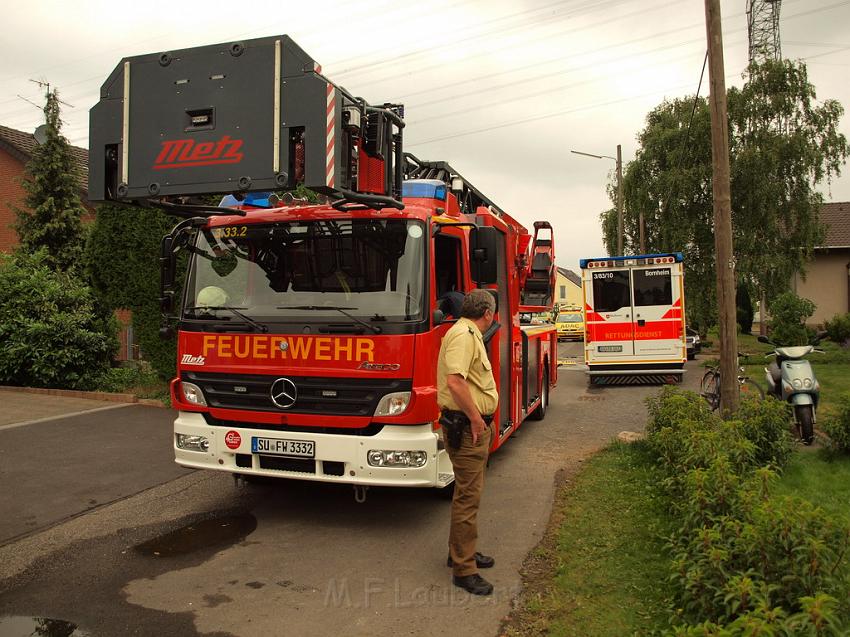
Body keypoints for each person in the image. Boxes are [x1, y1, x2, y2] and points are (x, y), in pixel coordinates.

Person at [436, 288, 499, 596]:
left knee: (466, 494)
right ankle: (463, 569)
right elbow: (455, 382)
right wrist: (476, 418)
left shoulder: (465, 331)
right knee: (468, 499)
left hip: (467, 426)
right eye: (494, 311)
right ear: (487, 313)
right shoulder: (464, 335)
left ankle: (460, 551)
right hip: (466, 428)